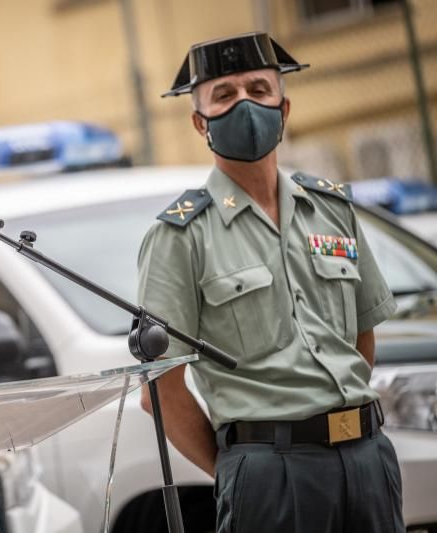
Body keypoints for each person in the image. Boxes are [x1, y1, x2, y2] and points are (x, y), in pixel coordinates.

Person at [138, 32, 404, 533]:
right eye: (224, 94)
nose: (244, 103)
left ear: (283, 108)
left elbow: (362, 335)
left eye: (259, 90)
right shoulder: (181, 235)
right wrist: (238, 473)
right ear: (200, 123)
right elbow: (160, 392)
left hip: (368, 459)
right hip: (269, 474)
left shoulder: (331, 208)